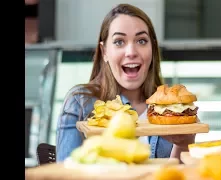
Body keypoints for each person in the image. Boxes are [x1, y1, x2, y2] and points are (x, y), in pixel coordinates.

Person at [56, 3, 195, 162]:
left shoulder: (169, 110)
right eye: (119, 42)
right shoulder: (79, 102)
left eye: (141, 41)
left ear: (152, 48)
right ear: (104, 52)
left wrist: (183, 145)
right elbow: (65, 173)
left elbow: (179, 175)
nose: (131, 52)